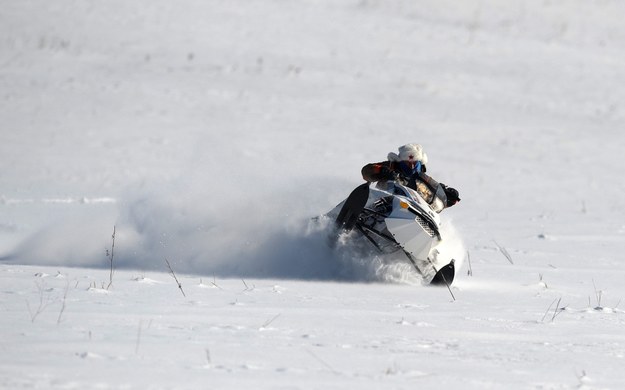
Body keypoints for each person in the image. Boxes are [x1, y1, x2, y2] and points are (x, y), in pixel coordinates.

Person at [361, 143, 460, 208]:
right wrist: (381, 170)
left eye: (414, 162)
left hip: (408, 208)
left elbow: (431, 191)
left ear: (419, 162)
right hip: (383, 200)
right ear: (401, 161)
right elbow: (366, 172)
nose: (411, 165)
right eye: (407, 162)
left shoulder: (422, 179)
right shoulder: (391, 166)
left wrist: (445, 194)